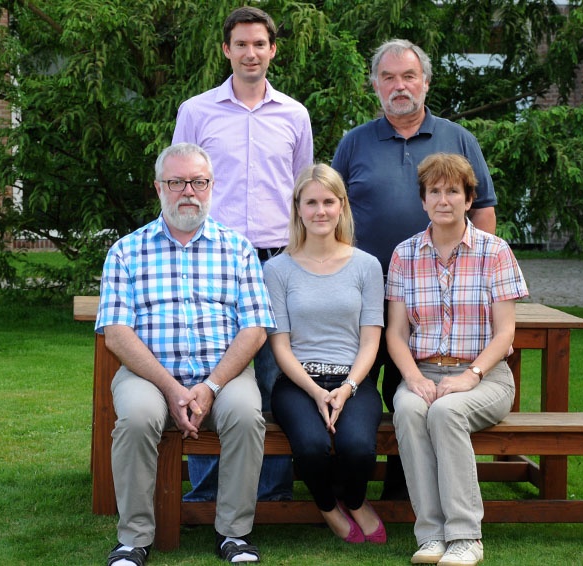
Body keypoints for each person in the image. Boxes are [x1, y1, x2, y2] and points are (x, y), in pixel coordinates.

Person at [331, 38, 498, 500]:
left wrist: (480, 276)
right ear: (375, 85)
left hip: (434, 294)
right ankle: (348, 485)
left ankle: (404, 490)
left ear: (425, 82)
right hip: (364, 294)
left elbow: (483, 209)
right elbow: (331, 211)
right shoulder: (354, 142)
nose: (399, 86)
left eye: (408, 76)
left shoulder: (458, 139)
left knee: (413, 387)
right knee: (362, 386)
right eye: (388, 77)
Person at [97, 143, 274, 565]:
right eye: (176, 182)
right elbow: (117, 334)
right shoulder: (126, 250)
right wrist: (172, 388)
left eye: (198, 182)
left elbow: (255, 329)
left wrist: (210, 386)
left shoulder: (238, 249)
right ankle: (134, 539)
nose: (188, 191)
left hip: (224, 374)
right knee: (137, 417)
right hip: (148, 376)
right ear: (159, 188)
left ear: (212, 186)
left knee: (246, 415)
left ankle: (234, 534)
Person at [172, 5, 313, 502]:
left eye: (259, 44)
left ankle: (271, 491)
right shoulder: (196, 112)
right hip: (213, 259)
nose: (250, 53)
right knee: (209, 368)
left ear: (272, 50)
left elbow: (303, 191)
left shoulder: (294, 115)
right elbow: (180, 181)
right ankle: (208, 489)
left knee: (275, 372)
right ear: (226, 50)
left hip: (277, 258)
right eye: (241, 44)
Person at [385, 153, 528, 566]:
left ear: (469, 199)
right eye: (434, 191)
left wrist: (471, 375)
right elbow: (396, 333)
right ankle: (431, 535)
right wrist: (412, 378)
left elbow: (505, 333)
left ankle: (466, 537)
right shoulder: (404, 254)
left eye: (452, 191)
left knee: (446, 412)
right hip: (424, 371)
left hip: (486, 377)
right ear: (423, 200)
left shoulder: (495, 251)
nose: (443, 199)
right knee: (409, 410)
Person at [264, 164, 386, 544]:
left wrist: (346, 388)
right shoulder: (277, 269)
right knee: (312, 447)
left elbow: (371, 341)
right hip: (297, 383)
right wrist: (316, 392)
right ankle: (328, 507)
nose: (320, 211)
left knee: (358, 448)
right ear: (298, 208)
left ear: (342, 206)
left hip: (353, 380)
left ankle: (354, 499)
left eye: (328, 202)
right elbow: (280, 345)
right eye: (311, 202)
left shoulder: (366, 266)